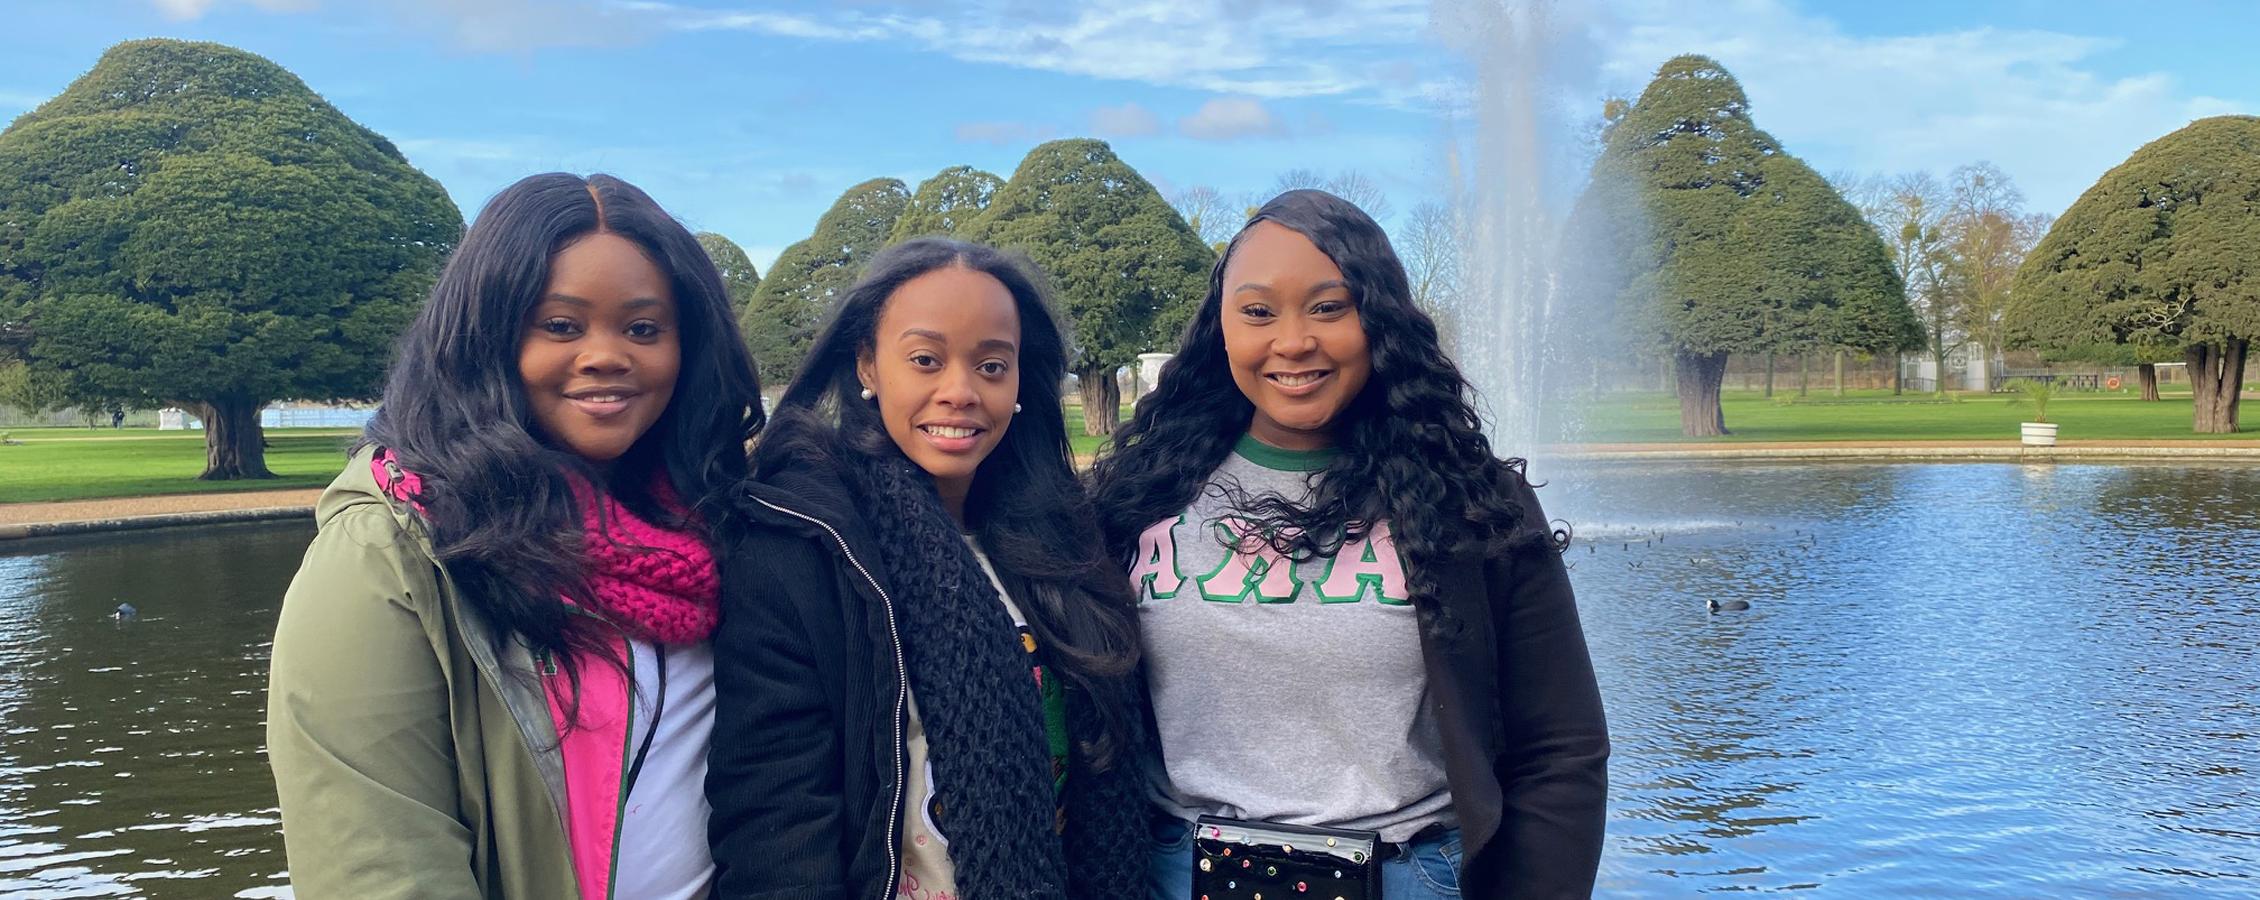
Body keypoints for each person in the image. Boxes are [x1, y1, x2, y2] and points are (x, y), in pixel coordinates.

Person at [1087, 189, 1611, 899]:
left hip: (1411, 877)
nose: (1294, 340)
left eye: (1329, 307)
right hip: (1177, 877)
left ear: (1379, 320)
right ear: (1221, 329)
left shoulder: (1471, 504)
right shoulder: (1135, 496)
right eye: (1258, 311)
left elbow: (1562, 748)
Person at [266, 172, 763, 899]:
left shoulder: (715, 532)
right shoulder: (388, 554)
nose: (606, 355)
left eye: (643, 328)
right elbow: (378, 869)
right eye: (561, 325)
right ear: (487, 338)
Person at [707, 237, 1146, 899]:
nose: (960, 392)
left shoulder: (1060, 543)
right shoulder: (805, 546)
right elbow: (778, 822)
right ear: (868, 364)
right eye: (924, 359)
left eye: (992, 366)